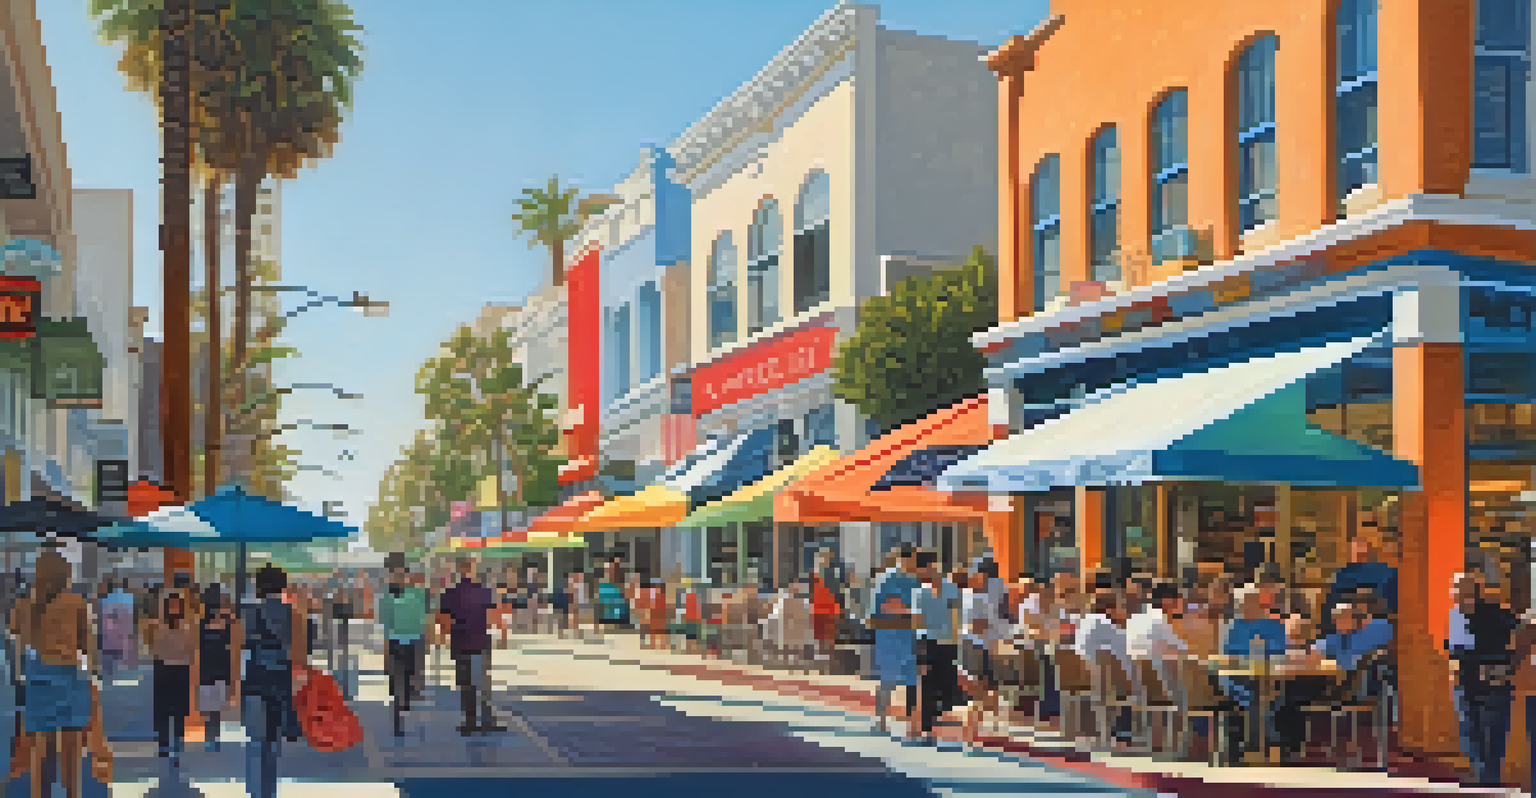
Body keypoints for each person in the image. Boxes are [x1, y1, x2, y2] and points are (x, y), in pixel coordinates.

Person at [11, 552, 98, 798]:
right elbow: (87, 645)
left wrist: (20, 675)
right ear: (65, 573)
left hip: (38, 675)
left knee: (42, 747)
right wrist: (92, 673)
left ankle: (40, 794)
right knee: (71, 747)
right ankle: (72, 793)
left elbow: (18, 639)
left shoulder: (24, 603)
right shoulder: (77, 602)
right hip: (70, 674)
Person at [238, 565, 306, 798]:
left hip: (255, 682)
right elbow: (299, 656)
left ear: (259, 587)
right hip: (283, 684)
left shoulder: (249, 613)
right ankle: (269, 791)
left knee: (257, 741)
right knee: (274, 742)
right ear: (283, 585)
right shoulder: (294, 614)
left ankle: (257, 790)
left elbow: (239, 647)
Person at [1448, 571, 1521, 786]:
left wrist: (1506, 663)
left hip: (1491, 677)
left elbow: (1516, 636)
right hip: (1469, 678)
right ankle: (1483, 777)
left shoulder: (1497, 614)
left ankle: (1488, 778)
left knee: (1490, 729)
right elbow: (1456, 649)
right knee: (1473, 730)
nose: (1455, 594)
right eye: (1455, 590)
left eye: (1458, 590)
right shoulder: (1456, 615)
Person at [438, 557, 503, 735]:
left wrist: (445, 638)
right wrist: (496, 633)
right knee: (483, 683)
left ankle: (470, 722)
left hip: (460, 642)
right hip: (480, 641)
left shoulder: (449, 593)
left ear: (459, 570)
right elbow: (492, 616)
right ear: (473, 569)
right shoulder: (484, 591)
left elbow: (444, 621)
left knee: (465, 684)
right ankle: (487, 720)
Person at [142, 586, 197, 771]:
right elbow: (152, 647)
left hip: (177, 669)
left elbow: (191, 649)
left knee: (177, 710)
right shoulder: (157, 625)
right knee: (165, 709)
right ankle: (166, 743)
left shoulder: (186, 626)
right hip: (166, 668)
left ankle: (175, 742)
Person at [869, 546, 921, 735]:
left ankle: (911, 724)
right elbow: (877, 612)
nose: (913, 563)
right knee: (887, 681)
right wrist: (905, 612)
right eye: (911, 558)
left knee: (912, 682)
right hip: (889, 638)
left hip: (909, 637)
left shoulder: (917, 580)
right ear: (902, 558)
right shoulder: (886, 580)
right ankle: (881, 720)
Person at [378, 553, 430, 737]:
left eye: (402, 575)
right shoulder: (385, 598)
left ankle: (405, 703)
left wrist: (426, 644)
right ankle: (398, 716)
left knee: (409, 681)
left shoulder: (417, 595)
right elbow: (385, 627)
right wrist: (385, 654)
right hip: (394, 643)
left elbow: (424, 621)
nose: (399, 578)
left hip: (414, 643)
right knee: (396, 682)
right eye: (395, 575)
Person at [912, 551, 960, 743]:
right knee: (927, 684)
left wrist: (956, 641)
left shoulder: (952, 589)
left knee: (947, 684)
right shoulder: (919, 592)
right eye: (926, 568)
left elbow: (956, 615)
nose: (931, 571)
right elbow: (916, 621)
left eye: (934, 566)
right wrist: (918, 647)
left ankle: (939, 713)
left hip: (948, 642)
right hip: (928, 641)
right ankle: (926, 728)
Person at [1126, 581, 1188, 699]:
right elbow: (1184, 654)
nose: (1183, 604)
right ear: (1167, 601)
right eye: (1180, 600)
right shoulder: (1161, 622)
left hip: (1138, 689)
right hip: (1165, 689)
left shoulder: (1134, 620)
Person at [197, 584, 240, 753]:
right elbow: (233, 646)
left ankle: (211, 737)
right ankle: (213, 737)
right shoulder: (226, 622)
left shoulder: (200, 623)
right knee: (215, 708)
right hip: (222, 667)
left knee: (209, 706)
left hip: (207, 667)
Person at [1324, 539, 1397, 634]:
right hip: (1345, 617)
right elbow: (1333, 600)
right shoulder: (1342, 574)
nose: (1359, 553)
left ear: (1368, 552)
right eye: (1356, 550)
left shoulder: (1384, 572)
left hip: (1373, 618)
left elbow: (1389, 602)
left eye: (1362, 550)